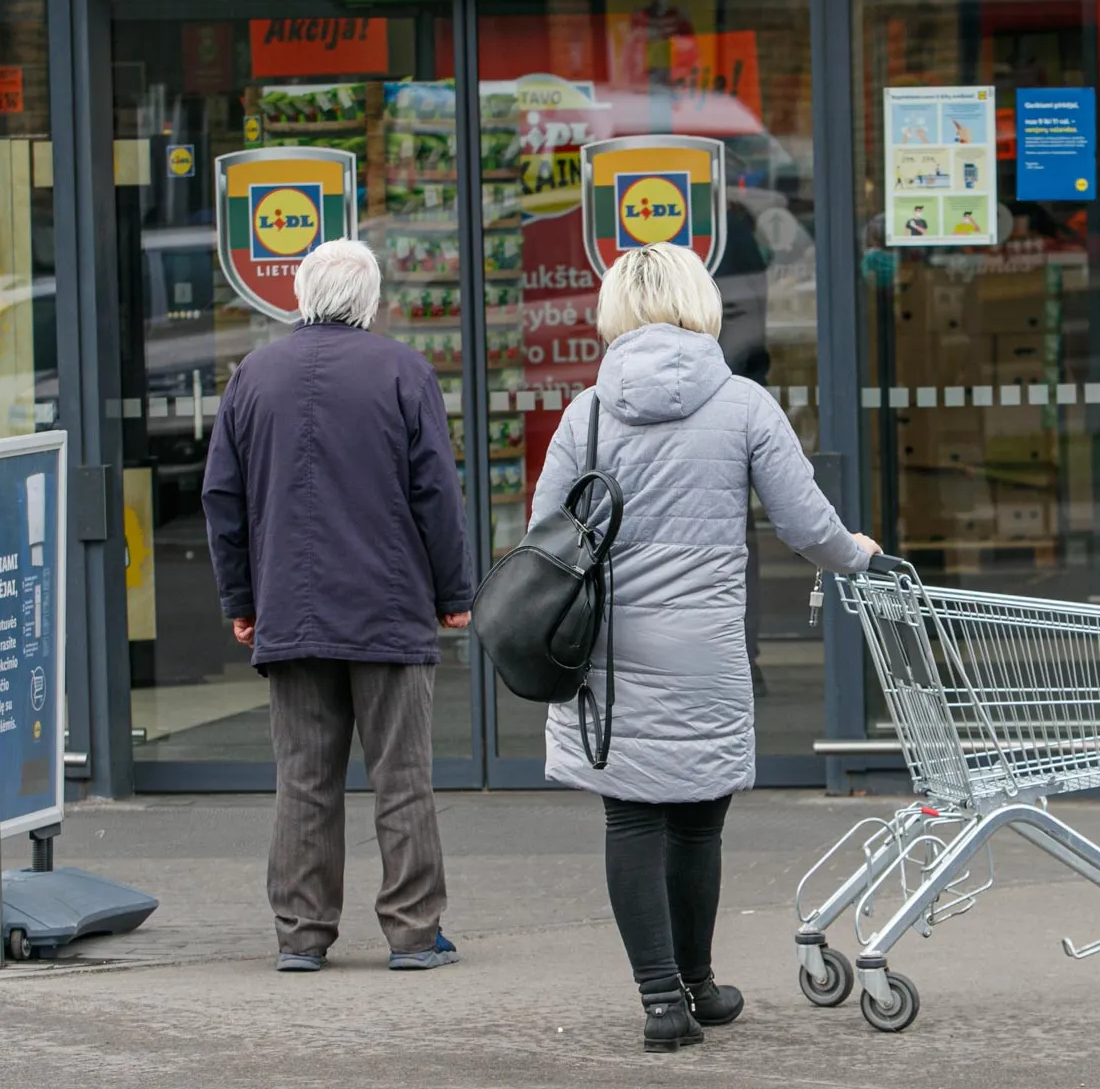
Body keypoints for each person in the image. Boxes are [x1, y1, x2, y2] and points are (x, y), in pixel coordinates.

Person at [530, 242, 881, 1053]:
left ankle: (660, 1000)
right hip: (707, 650)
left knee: (630, 821)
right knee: (697, 824)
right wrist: (860, 555)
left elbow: (544, 538)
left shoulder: (584, 414)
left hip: (611, 655)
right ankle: (699, 982)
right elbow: (806, 525)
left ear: (615, 309)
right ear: (701, 304)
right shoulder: (744, 404)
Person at [202, 238, 475, 975]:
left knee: (303, 779)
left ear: (301, 295)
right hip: (387, 611)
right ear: (371, 301)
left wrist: (241, 597)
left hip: (290, 609)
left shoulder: (253, 376)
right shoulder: (401, 370)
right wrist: (455, 593)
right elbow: (435, 496)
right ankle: (415, 933)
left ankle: (301, 934)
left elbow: (222, 497)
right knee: (402, 776)